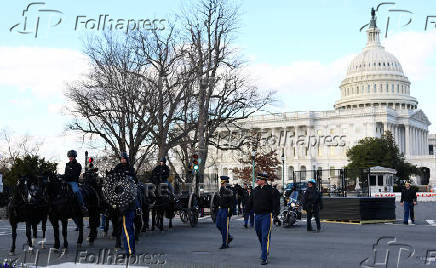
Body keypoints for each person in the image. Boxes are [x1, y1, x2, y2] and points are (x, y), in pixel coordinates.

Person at [246, 172, 280, 265]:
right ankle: (265, 248)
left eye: (258, 179)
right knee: (259, 234)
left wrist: (276, 214)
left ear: (264, 181)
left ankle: (264, 257)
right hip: (257, 215)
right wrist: (247, 210)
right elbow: (250, 201)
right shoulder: (255, 190)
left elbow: (276, 202)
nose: (257, 181)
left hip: (266, 215)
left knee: (265, 236)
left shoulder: (271, 190)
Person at [113, 152, 138, 256]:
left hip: (127, 209)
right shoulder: (117, 167)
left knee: (127, 231)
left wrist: (120, 210)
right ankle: (130, 250)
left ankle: (130, 251)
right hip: (128, 207)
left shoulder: (130, 169)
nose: (123, 160)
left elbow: (134, 179)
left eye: (124, 158)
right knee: (129, 230)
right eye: (121, 158)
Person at [63, 150, 87, 215]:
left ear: (74, 157)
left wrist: (66, 176)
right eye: (69, 156)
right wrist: (62, 176)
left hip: (73, 181)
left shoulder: (78, 165)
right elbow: (66, 174)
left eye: (71, 156)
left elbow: (75, 174)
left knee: (76, 191)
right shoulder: (67, 165)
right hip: (66, 181)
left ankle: (82, 206)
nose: (70, 158)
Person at [216, 176, 235, 249]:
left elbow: (233, 201)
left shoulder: (229, 189)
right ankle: (228, 237)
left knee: (224, 227)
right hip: (221, 209)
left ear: (226, 182)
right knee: (218, 224)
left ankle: (225, 243)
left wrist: (230, 211)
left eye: (223, 182)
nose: (222, 184)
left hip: (226, 209)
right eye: (222, 182)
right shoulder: (222, 188)